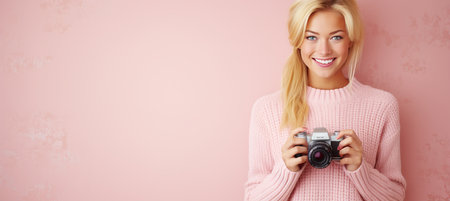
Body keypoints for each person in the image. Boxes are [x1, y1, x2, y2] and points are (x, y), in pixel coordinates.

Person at [244, 0, 406, 200]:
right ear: (297, 42)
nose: (324, 50)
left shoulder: (382, 106)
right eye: (311, 37)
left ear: (350, 41)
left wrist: (359, 168)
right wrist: (285, 170)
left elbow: (396, 197)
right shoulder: (266, 109)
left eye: (336, 37)